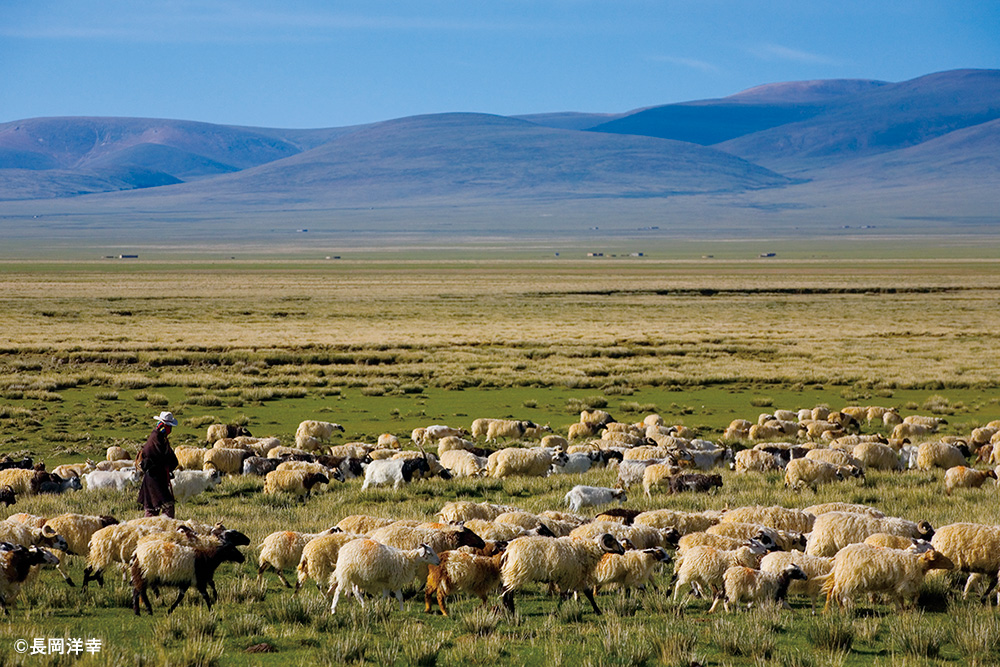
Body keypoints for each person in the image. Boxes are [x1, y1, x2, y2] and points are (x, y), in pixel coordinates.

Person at [137, 411, 179, 518]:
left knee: (153, 508)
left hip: (157, 478)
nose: (170, 429)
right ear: (165, 425)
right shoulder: (156, 438)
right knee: (167, 505)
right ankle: (164, 528)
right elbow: (155, 456)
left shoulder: (160, 437)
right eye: (169, 426)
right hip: (154, 478)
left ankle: (152, 529)